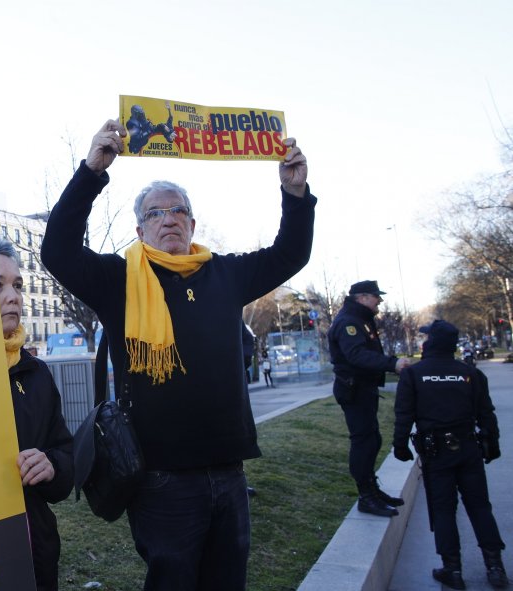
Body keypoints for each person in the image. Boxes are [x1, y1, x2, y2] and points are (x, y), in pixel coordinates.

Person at [40, 119, 313, 591]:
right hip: (160, 481)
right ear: (141, 228)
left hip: (228, 473)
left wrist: (295, 192)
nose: (168, 218)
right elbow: (58, 251)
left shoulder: (225, 274)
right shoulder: (117, 280)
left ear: (192, 222)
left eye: (178, 210)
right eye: (155, 213)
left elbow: (290, 254)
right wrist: (91, 172)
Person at [393, 320, 507, 590]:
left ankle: (452, 570)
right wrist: (493, 444)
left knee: (444, 509)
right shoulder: (469, 373)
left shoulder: (414, 375)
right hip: (468, 449)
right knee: (480, 506)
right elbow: (486, 414)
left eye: (426, 337)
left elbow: (403, 416)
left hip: (436, 453)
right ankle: (495, 568)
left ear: (431, 342)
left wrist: (400, 446)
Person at [0, 234, 74, 591]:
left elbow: (66, 453)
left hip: (35, 553)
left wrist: (52, 465)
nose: (13, 296)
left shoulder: (36, 373)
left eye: (16, 285)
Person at [328, 280, 409, 517]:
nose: (380, 301)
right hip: (354, 390)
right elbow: (356, 355)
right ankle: (366, 496)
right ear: (362, 298)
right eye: (376, 297)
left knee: (372, 439)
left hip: (362, 388)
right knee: (364, 442)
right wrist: (392, 364)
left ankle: (372, 489)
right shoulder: (349, 322)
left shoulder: (360, 319)